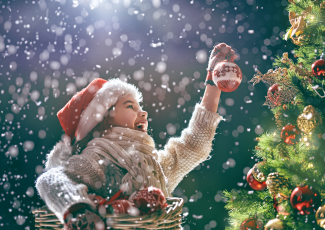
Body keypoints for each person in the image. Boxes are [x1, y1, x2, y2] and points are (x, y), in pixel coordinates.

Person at [35, 43, 237, 229]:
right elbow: (51, 179)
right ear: (105, 120)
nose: (143, 113)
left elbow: (194, 145)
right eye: (130, 106)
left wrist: (213, 81)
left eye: (141, 107)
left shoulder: (154, 165)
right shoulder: (99, 159)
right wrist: (79, 211)